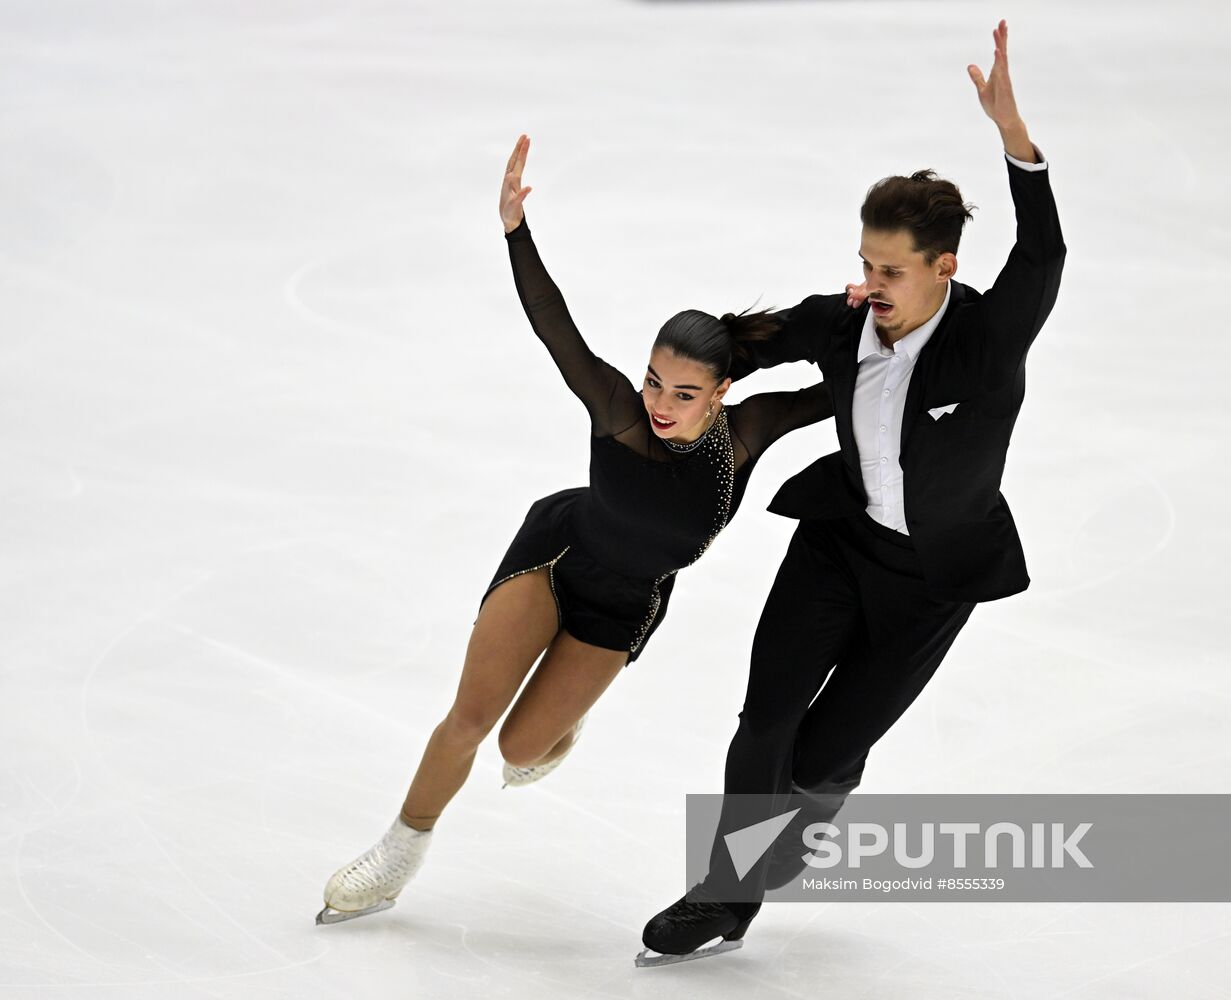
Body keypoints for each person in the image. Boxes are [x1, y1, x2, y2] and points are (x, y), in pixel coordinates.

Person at [315, 134, 835, 925]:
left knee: (522, 752)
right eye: (656, 380)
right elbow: (554, 327)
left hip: (626, 604)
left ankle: (563, 718)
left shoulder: (751, 432)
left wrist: (896, 329)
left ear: (722, 392)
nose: (661, 402)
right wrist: (515, 230)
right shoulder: (621, 416)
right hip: (557, 555)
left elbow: (852, 384)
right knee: (469, 718)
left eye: (685, 392)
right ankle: (400, 848)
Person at [638, 19, 1067, 965]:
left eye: (890, 270)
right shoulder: (846, 323)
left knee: (822, 756)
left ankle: (800, 818)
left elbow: (1044, 259)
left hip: (934, 580)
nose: (867, 283)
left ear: (943, 268)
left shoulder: (986, 340)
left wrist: (1016, 145)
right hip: (839, 543)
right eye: (865, 261)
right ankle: (724, 893)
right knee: (766, 717)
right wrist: (680, 376)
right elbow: (747, 341)